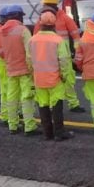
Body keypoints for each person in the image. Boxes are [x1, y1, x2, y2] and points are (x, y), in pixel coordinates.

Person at [34, 0, 84, 113]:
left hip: (63, 55)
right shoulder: (42, 19)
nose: (44, 7)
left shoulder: (64, 18)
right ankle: (53, 106)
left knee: (68, 80)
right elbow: (35, 39)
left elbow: (76, 36)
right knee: (51, 82)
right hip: (49, 57)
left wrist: (77, 52)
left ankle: (73, 103)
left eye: (46, 4)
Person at [29, 11, 76, 140]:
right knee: (57, 105)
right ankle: (59, 132)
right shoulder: (58, 40)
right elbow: (64, 60)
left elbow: (29, 60)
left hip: (39, 78)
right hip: (54, 78)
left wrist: (32, 75)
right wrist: (64, 75)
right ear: (54, 25)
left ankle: (47, 133)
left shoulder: (32, 40)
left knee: (43, 105)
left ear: (40, 24)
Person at [0, 5, 38, 134]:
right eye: (21, 16)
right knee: (27, 98)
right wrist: (32, 70)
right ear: (18, 16)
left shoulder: (2, 31)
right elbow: (30, 53)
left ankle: (13, 126)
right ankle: (29, 126)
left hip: (10, 69)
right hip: (24, 70)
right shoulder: (23, 30)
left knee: (12, 98)